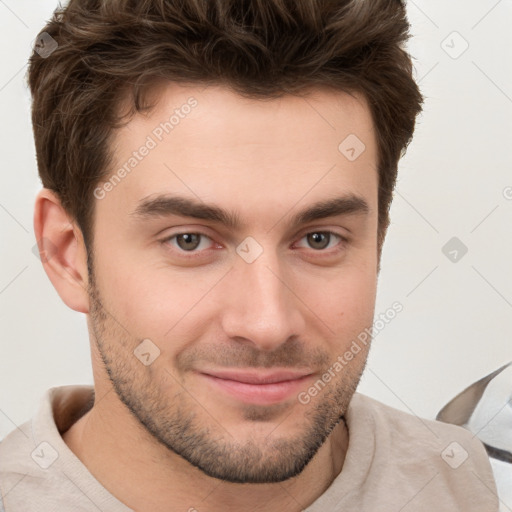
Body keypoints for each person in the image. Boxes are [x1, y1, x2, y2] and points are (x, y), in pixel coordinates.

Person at [0, 0, 500, 510]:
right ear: (67, 254)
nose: (267, 324)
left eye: (319, 238)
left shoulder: (455, 479)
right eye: (189, 240)